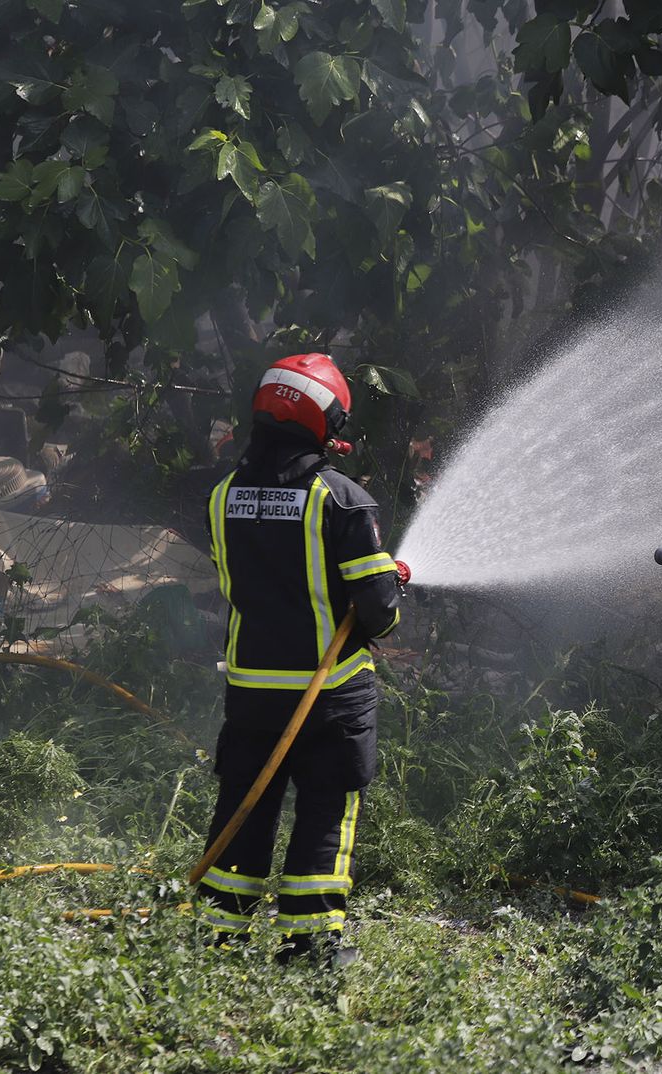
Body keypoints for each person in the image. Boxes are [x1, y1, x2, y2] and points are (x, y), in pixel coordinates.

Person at [197, 352, 402, 965]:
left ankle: (218, 936)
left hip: (251, 693)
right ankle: (309, 946)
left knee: (244, 805)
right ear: (325, 421)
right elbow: (377, 615)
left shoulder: (223, 496)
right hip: (329, 696)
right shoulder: (342, 501)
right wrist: (392, 585)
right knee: (324, 810)